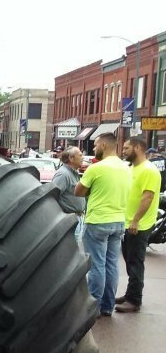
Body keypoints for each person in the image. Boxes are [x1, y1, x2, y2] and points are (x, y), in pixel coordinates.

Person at [75, 133, 132, 317]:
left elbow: (79, 191)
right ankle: (107, 306)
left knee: (97, 265)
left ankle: (93, 308)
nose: (94, 148)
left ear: (105, 146)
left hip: (98, 220)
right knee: (112, 264)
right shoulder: (126, 168)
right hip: (118, 221)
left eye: (96, 144)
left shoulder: (96, 168)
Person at [115, 137, 162, 313]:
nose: (123, 151)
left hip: (140, 224)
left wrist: (136, 220)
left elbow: (147, 197)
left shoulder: (149, 170)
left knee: (135, 261)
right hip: (127, 222)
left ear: (138, 148)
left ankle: (134, 300)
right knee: (129, 259)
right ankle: (129, 294)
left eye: (126, 148)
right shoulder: (132, 168)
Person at [52, 146, 86, 240]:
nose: (83, 157)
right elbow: (52, 196)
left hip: (77, 218)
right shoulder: (63, 174)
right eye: (80, 155)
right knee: (71, 251)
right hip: (69, 220)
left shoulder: (73, 173)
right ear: (71, 158)